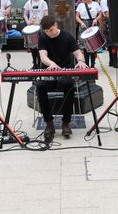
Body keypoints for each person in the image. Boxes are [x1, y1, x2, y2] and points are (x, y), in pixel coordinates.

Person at [36, 14, 89, 143]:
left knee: (69, 85)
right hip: (48, 72)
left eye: (51, 30)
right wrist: (51, 64)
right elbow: (43, 56)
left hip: (65, 73)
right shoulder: (43, 38)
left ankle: (66, 122)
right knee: (40, 87)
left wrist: (81, 61)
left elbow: (78, 53)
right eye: (46, 31)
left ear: (56, 25)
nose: (49, 33)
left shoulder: (67, 37)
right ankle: (49, 123)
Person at [74, 0, 102, 68]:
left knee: (93, 46)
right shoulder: (80, 5)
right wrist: (81, 22)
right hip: (84, 25)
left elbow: (100, 14)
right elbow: (76, 16)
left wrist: (96, 19)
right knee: (85, 46)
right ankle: (86, 64)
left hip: (93, 24)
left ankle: (93, 65)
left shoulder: (96, 4)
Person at [22, 0, 49, 69]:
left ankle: (41, 63)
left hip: (40, 26)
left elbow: (46, 15)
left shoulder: (43, 3)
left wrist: (40, 22)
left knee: (40, 46)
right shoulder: (28, 2)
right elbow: (25, 14)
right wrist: (27, 21)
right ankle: (34, 63)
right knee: (32, 46)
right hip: (31, 26)